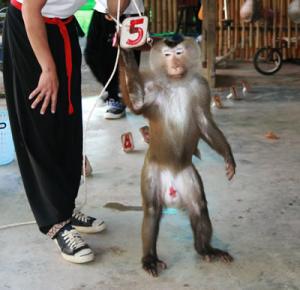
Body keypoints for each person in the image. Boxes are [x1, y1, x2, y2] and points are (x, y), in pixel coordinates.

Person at [3, 0, 130, 264]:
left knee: (68, 123)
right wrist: (48, 69)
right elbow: (30, 10)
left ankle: (66, 208)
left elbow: (114, 8)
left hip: (63, 28)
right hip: (31, 29)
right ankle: (55, 222)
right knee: (42, 123)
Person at [84, 0, 144, 119]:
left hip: (124, 11)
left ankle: (118, 96)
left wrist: (116, 11)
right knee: (92, 54)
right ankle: (118, 91)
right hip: (102, 9)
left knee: (122, 58)